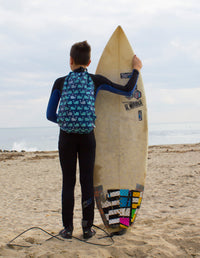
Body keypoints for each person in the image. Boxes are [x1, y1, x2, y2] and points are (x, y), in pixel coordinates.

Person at [46, 41, 142, 239]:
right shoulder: (95, 80)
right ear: (89, 62)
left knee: (68, 182)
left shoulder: (60, 82)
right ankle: (87, 229)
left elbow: (49, 114)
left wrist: (65, 123)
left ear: (70, 61)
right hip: (88, 137)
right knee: (87, 181)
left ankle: (68, 230)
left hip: (66, 138)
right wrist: (136, 69)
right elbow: (127, 91)